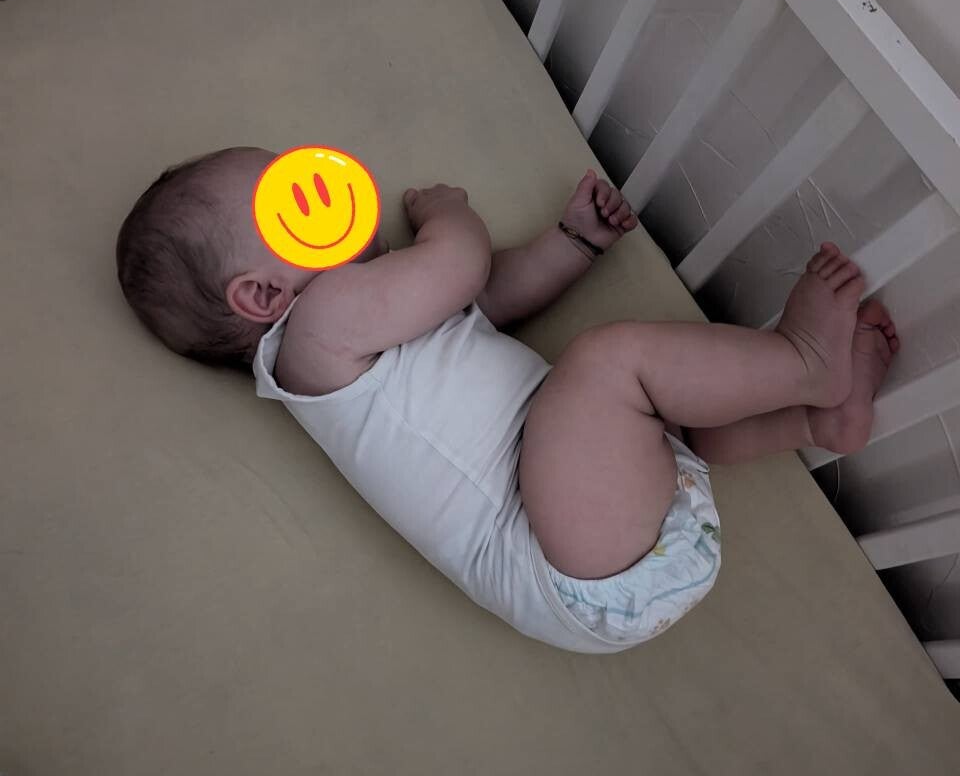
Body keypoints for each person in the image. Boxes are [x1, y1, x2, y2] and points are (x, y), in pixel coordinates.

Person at [116, 146, 898, 653]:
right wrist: (445, 214)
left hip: (615, 526)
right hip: (571, 565)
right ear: (262, 295)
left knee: (664, 413)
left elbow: (485, 302)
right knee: (607, 363)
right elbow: (462, 267)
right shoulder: (316, 329)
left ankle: (813, 419)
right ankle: (802, 364)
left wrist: (572, 243)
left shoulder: (369, 333)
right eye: (293, 204)